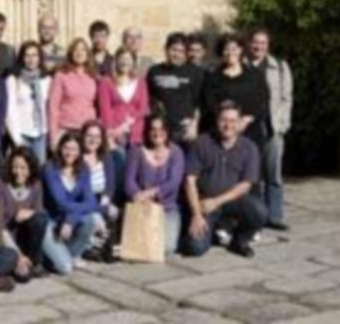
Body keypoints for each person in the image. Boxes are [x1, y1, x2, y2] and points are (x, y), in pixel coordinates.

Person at [182, 101, 267, 258]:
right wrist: (196, 214)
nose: (228, 125)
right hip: (205, 203)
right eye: (224, 120)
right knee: (195, 248)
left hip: (232, 200)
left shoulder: (249, 148)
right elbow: (190, 181)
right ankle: (211, 231)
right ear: (217, 121)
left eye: (233, 120)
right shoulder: (202, 143)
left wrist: (217, 201)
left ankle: (240, 241)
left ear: (240, 122)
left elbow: (245, 185)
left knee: (259, 211)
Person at [248, 28, 293, 231]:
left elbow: (286, 98)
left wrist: (282, 125)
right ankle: (258, 215)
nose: (259, 46)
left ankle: (274, 215)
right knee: (253, 176)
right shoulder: (243, 66)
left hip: (273, 128)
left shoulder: (280, 67)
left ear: (268, 45)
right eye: (256, 42)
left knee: (274, 175)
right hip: (249, 130)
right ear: (250, 44)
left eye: (263, 43)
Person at [125, 115, 185, 255]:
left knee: (167, 248)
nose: (157, 133)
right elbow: (129, 181)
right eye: (153, 129)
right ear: (147, 131)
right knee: (141, 248)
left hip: (167, 208)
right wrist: (137, 195)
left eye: (161, 129)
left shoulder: (176, 152)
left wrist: (151, 193)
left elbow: (174, 182)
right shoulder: (136, 150)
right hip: (142, 207)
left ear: (167, 131)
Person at [0, 148, 52, 280]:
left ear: (31, 169)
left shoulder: (36, 185)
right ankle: (21, 263)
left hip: (26, 238)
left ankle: (34, 261)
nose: (18, 172)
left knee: (40, 219)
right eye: (15, 167)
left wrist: (31, 212)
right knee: (23, 278)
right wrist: (18, 255)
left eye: (24, 168)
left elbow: (41, 214)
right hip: (6, 238)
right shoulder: (0, 184)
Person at [202, 34, 271, 152]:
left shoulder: (254, 76)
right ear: (221, 52)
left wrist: (246, 119)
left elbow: (262, 100)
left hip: (250, 132)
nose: (230, 53)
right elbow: (210, 102)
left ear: (240, 50)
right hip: (223, 133)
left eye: (234, 49)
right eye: (226, 49)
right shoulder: (213, 78)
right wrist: (228, 121)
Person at [42, 133, 100, 271]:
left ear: (79, 151)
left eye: (74, 149)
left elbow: (91, 201)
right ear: (60, 148)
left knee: (92, 219)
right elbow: (59, 202)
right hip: (51, 219)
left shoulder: (83, 169)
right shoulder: (50, 168)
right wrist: (71, 218)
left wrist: (70, 220)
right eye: (66, 148)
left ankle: (70, 255)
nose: (69, 153)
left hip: (67, 219)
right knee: (66, 268)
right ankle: (55, 257)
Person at [147, 32, 205, 146]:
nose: (177, 54)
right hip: (161, 131)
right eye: (173, 49)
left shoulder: (195, 72)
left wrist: (194, 125)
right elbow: (150, 99)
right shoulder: (154, 71)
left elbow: (199, 103)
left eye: (181, 51)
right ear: (166, 49)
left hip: (185, 130)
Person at [48, 38, 99, 149]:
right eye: (76, 49)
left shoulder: (92, 76)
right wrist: (53, 136)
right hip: (67, 129)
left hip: (87, 132)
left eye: (83, 50)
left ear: (87, 54)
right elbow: (53, 106)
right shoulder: (61, 75)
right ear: (71, 53)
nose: (79, 53)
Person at [6, 41, 51, 164]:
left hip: (40, 132)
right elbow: (10, 110)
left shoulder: (46, 80)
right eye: (27, 55)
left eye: (34, 55)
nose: (31, 59)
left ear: (39, 58)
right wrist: (16, 139)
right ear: (22, 58)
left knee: (39, 169)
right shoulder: (13, 80)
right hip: (22, 132)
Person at [79, 121, 119, 261]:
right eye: (89, 136)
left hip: (101, 197)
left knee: (114, 212)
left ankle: (108, 248)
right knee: (98, 217)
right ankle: (92, 248)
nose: (93, 140)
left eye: (97, 137)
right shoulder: (78, 159)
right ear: (82, 137)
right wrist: (100, 208)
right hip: (85, 200)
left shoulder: (105, 157)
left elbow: (110, 184)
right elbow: (82, 191)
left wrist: (107, 200)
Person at [97, 47, 150, 148]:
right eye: (122, 58)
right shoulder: (107, 82)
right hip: (115, 133)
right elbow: (105, 109)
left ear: (133, 62)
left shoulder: (140, 82)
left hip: (137, 134)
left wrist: (129, 122)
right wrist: (111, 132)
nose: (125, 62)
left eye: (128, 59)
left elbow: (143, 108)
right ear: (116, 61)